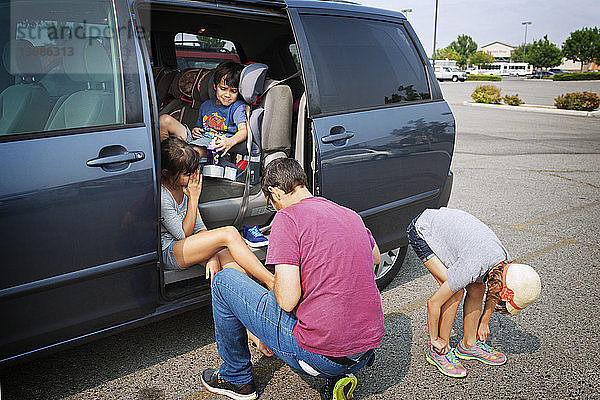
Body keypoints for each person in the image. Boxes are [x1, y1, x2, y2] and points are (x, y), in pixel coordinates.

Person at [201, 158, 385, 400]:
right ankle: (337, 380)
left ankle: (236, 379)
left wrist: (260, 315)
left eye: (271, 204)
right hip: (364, 352)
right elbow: (375, 257)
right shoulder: (349, 214)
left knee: (225, 282)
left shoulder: (287, 218)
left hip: (321, 357)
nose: (274, 209)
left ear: (275, 192)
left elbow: (287, 301)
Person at [406, 207, 541, 378]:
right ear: (501, 286)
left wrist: (484, 322)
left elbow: (494, 290)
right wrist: (434, 338)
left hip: (456, 236)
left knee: (477, 289)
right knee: (455, 292)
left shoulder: (503, 263)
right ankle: (439, 351)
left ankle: (469, 344)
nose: (500, 300)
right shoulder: (474, 266)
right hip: (423, 229)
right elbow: (434, 303)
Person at [159, 61, 248, 158]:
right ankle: (164, 154)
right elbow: (199, 127)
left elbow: (244, 131)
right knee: (164, 120)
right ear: (215, 86)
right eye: (223, 88)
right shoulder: (206, 105)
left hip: (216, 146)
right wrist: (195, 130)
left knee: (189, 152)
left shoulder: (237, 107)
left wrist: (230, 141)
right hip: (199, 140)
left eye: (233, 91)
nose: (227, 95)